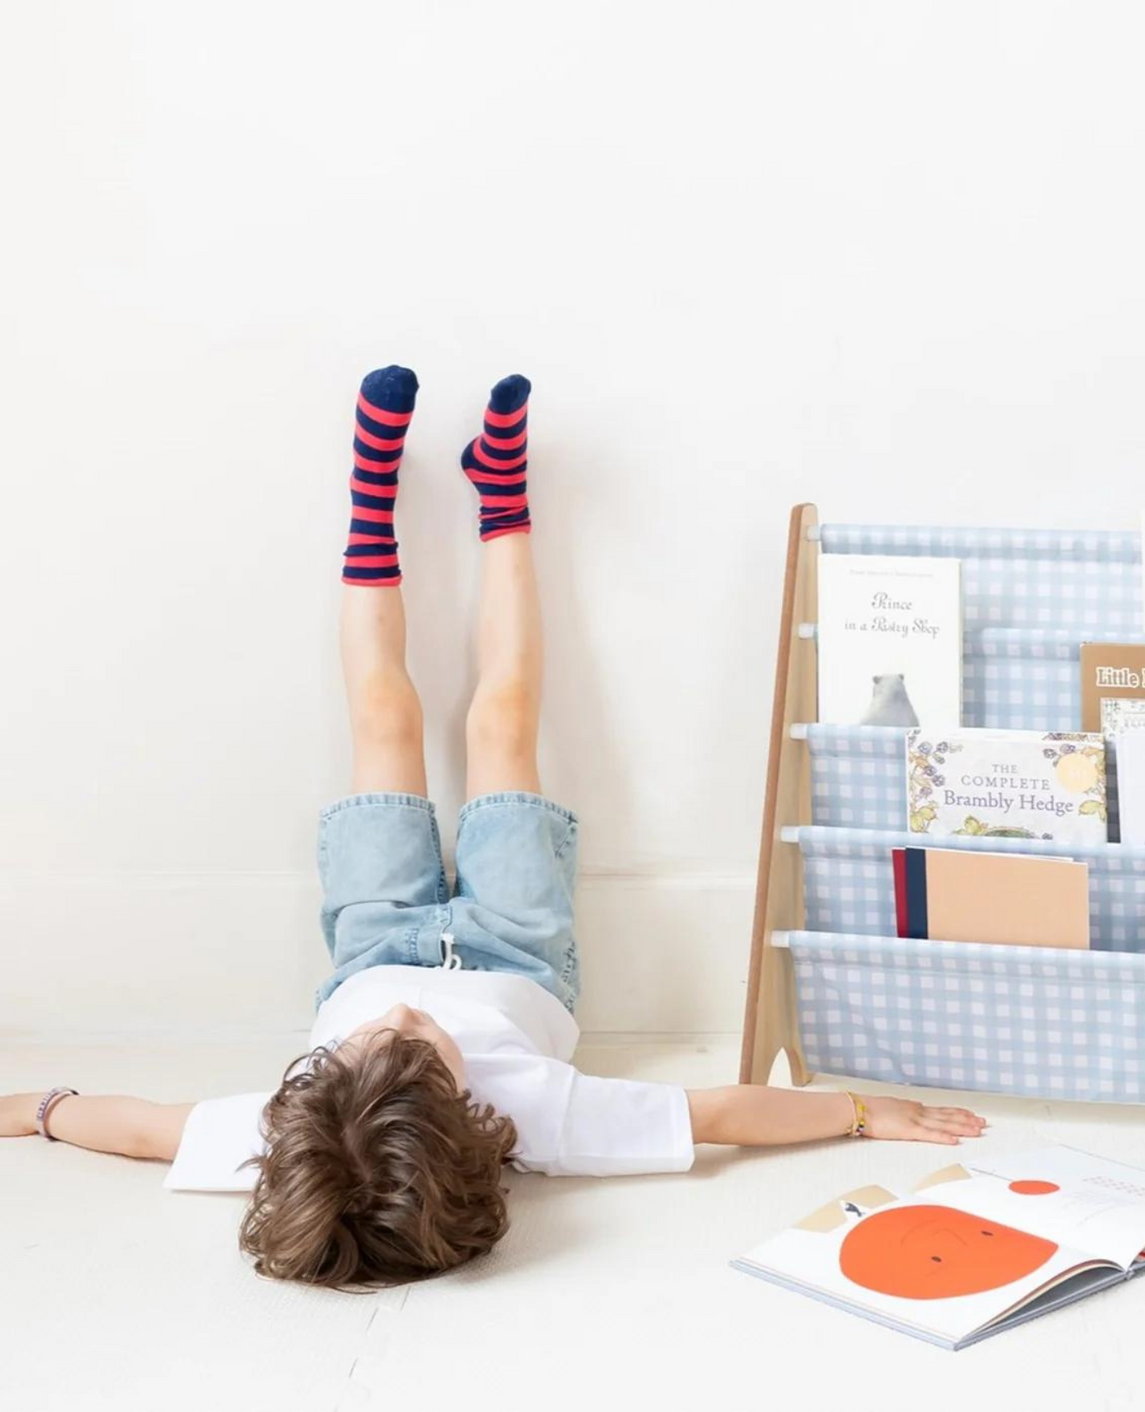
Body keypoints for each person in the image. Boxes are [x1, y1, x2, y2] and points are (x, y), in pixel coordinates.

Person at [1, 368, 986, 1289]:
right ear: (474, 1119)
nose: (400, 1021)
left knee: (383, 717)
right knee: (501, 717)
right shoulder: (547, 1120)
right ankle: (500, 497)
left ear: (311, 1098)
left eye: (359, 1050)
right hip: (517, 942)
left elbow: (139, 1127)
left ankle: (369, 497)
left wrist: (34, 1108)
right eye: (421, 1051)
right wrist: (861, 1112)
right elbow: (723, 1111)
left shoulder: (290, 1131)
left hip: (371, 936)